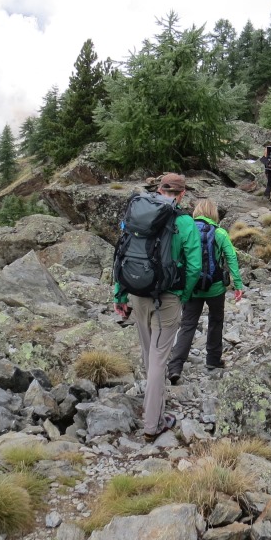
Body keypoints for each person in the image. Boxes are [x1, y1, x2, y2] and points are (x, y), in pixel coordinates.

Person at [113, 173, 201, 438]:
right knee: (159, 360)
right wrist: (183, 294)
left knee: (148, 354)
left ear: (160, 190)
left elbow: (122, 253)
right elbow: (195, 266)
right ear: (182, 194)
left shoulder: (138, 213)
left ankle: (155, 409)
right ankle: (153, 424)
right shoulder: (185, 221)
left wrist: (120, 295)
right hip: (168, 298)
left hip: (137, 294)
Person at [166, 199, 244, 382]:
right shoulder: (220, 232)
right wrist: (238, 284)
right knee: (216, 321)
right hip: (215, 288)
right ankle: (213, 360)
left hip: (192, 287)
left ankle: (175, 367)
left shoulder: (187, 229)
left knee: (188, 324)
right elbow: (231, 257)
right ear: (214, 213)